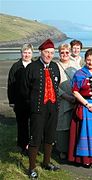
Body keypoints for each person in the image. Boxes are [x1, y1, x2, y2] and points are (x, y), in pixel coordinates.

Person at [23, 39, 61, 179]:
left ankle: (46, 162)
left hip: (53, 108)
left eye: (51, 52)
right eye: (46, 52)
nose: (49, 55)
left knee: (50, 136)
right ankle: (32, 168)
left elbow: (57, 86)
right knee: (35, 138)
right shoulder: (31, 68)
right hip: (38, 109)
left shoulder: (55, 66)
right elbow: (24, 90)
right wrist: (31, 107)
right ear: (41, 52)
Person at [7, 43, 33, 155]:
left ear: (32, 53)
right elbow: (11, 84)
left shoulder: (35, 66)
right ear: (21, 53)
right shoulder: (15, 66)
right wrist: (12, 101)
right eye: (24, 52)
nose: (26, 55)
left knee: (33, 124)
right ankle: (22, 145)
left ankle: (33, 145)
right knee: (22, 124)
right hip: (19, 101)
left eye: (29, 53)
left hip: (33, 101)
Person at [55, 43, 80, 160]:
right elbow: (53, 84)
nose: (65, 54)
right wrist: (65, 95)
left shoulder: (75, 65)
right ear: (59, 53)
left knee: (74, 126)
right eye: (62, 52)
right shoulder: (55, 66)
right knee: (62, 126)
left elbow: (81, 80)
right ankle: (62, 150)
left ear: (70, 52)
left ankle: (73, 149)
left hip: (76, 99)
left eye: (67, 52)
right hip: (62, 100)